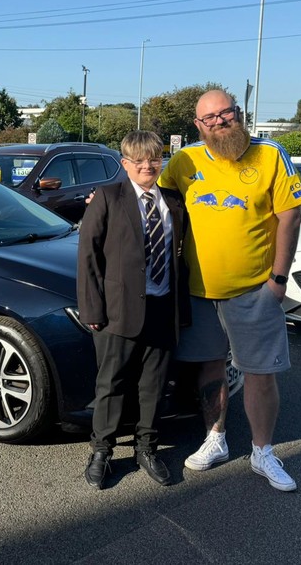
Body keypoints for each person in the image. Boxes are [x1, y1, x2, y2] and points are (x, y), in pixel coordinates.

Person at [158, 89, 301, 492]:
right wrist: (102, 201)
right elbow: (151, 196)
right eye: (211, 118)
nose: (221, 122)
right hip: (198, 290)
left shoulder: (270, 154)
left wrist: (278, 280)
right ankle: (216, 439)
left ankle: (263, 452)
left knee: (260, 374)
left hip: (254, 291)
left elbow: (290, 217)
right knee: (210, 366)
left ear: (238, 114)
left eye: (226, 113)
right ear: (199, 125)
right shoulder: (185, 159)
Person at [77, 131, 190, 490]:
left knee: (153, 386)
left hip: (162, 307)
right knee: (111, 384)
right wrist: (92, 308)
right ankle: (102, 451)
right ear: (125, 164)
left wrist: (181, 309)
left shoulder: (173, 201)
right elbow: (88, 257)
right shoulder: (108, 198)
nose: (147, 166)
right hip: (117, 312)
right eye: (139, 160)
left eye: (154, 159)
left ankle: (147, 448)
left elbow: (182, 258)